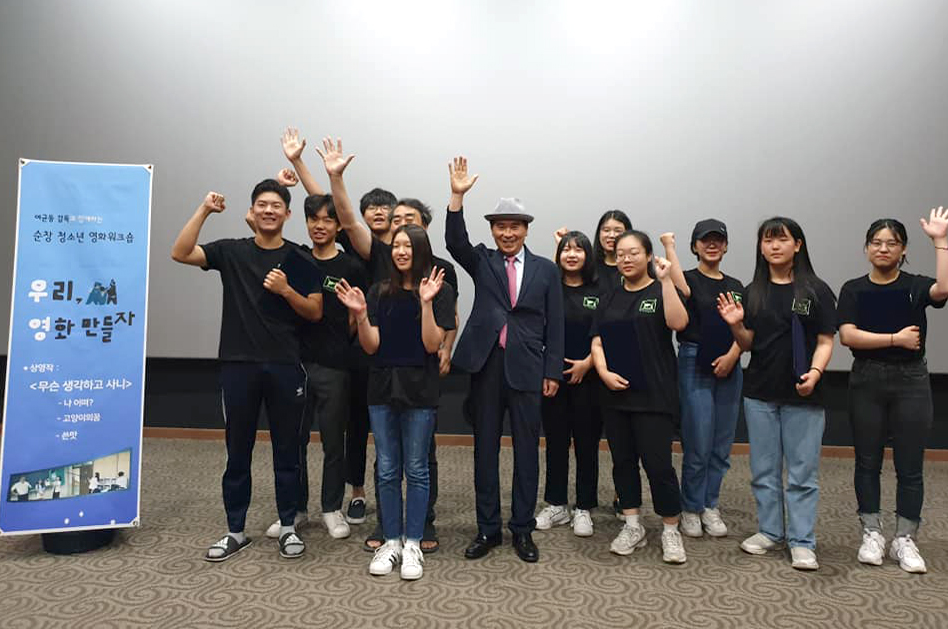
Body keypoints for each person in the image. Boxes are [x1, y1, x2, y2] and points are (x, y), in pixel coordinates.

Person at [172, 179, 323, 562]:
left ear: (288, 214)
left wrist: (287, 290)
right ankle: (235, 531)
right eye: (262, 205)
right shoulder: (232, 252)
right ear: (253, 212)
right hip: (238, 365)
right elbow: (180, 252)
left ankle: (288, 526)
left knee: (287, 450)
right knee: (237, 452)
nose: (269, 210)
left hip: (285, 365)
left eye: (276, 205)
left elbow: (315, 311)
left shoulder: (300, 258)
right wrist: (204, 209)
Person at [444, 156, 564, 563]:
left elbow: (556, 324)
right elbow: (455, 243)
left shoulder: (546, 270)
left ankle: (523, 530)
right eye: (500, 226)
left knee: (527, 452)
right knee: (485, 451)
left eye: (514, 226)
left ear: (526, 229)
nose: (507, 233)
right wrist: (457, 197)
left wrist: (552, 370)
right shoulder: (483, 261)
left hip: (529, 367)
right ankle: (488, 529)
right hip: (487, 366)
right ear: (493, 230)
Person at [336, 224, 456, 580]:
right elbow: (371, 345)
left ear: (421, 251)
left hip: (420, 389)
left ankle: (413, 543)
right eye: (396, 245)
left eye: (408, 246)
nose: (401, 251)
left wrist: (426, 302)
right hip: (382, 388)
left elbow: (432, 344)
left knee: (417, 469)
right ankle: (391, 541)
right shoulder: (378, 291)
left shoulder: (440, 289)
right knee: (387, 468)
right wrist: (361, 315)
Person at [718, 217, 835, 571]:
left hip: (804, 392)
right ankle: (770, 531)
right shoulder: (754, 291)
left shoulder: (815, 290)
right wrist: (736, 325)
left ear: (797, 245)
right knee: (763, 471)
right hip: (760, 392)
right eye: (767, 241)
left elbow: (826, 341)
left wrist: (815, 373)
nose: (774, 246)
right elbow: (748, 343)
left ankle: (802, 541)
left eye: (782, 240)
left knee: (801, 474)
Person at [251, 191, 369, 541]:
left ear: (338, 226)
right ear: (304, 222)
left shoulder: (351, 266)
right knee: (293, 440)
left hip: (335, 366)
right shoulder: (296, 258)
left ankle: (331, 508)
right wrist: (279, 187)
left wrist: (340, 340)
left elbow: (356, 316)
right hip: (294, 364)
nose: (320, 226)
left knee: (334, 441)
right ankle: (296, 509)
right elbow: (258, 228)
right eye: (313, 219)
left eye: (328, 220)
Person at [837, 208, 948, 573]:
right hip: (866, 380)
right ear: (866, 248)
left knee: (910, 465)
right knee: (867, 461)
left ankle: (905, 538)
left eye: (892, 243)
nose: (883, 248)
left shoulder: (915, 285)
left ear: (903, 250)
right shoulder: (853, 289)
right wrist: (895, 339)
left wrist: (941, 241)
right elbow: (848, 336)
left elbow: (943, 289)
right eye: (876, 242)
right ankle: (872, 532)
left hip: (911, 381)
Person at [590, 230, 689, 564]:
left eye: (633, 253)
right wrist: (603, 372)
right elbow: (597, 340)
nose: (626, 259)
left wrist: (666, 281)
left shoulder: (660, 289)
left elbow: (679, 322)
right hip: (615, 395)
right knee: (623, 463)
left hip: (654, 395)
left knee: (658, 465)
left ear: (648, 256)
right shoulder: (609, 297)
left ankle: (671, 529)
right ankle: (632, 525)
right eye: (620, 254)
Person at [660, 222, 744, 538]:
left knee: (721, 445)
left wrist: (733, 355)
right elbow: (680, 288)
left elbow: (745, 328)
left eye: (718, 240)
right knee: (698, 442)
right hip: (695, 361)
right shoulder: (688, 280)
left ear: (726, 246)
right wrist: (668, 245)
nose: (712, 245)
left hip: (730, 363)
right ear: (695, 246)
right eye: (705, 240)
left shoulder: (736, 285)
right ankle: (691, 507)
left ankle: (710, 504)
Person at [534, 231, 603, 537]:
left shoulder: (600, 290)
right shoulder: (549, 289)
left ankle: (584, 507)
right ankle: (556, 503)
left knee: (587, 444)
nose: (572, 255)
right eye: (566, 250)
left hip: (590, 377)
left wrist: (588, 363)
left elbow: (607, 332)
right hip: (554, 378)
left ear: (588, 255)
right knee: (556, 442)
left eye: (578, 250)